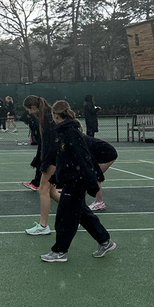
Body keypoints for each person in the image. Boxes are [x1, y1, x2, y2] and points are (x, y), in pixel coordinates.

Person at [40, 100, 116, 263]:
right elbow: (64, 158)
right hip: (72, 179)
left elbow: (82, 158)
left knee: (65, 217)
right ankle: (105, 241)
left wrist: (92, 181)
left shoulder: (71, 133)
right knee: (82, 214)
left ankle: (60, 251)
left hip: (76, 181)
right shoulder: (64, 132)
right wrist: (55, 178)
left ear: (55, 115)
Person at [23, 95, 59, 235]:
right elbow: (43, 144)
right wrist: (37, 160)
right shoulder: (44, 118)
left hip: (54, 159)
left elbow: (51, 144)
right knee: (51, 191)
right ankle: (78, 213)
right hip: (53, 158)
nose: (28, 113)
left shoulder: (48, 119)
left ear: (33, 107)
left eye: (28, 110)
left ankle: (43, 226)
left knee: (43, 189)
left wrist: (45, 164)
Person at [86, 134, 118, 211]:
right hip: (100, 154)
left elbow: (90, 159)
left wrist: (98, 174)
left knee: (94, 176)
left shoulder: (81, 141)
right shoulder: (77, 139)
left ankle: (99, 202)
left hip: (108, 154)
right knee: (91, 175)